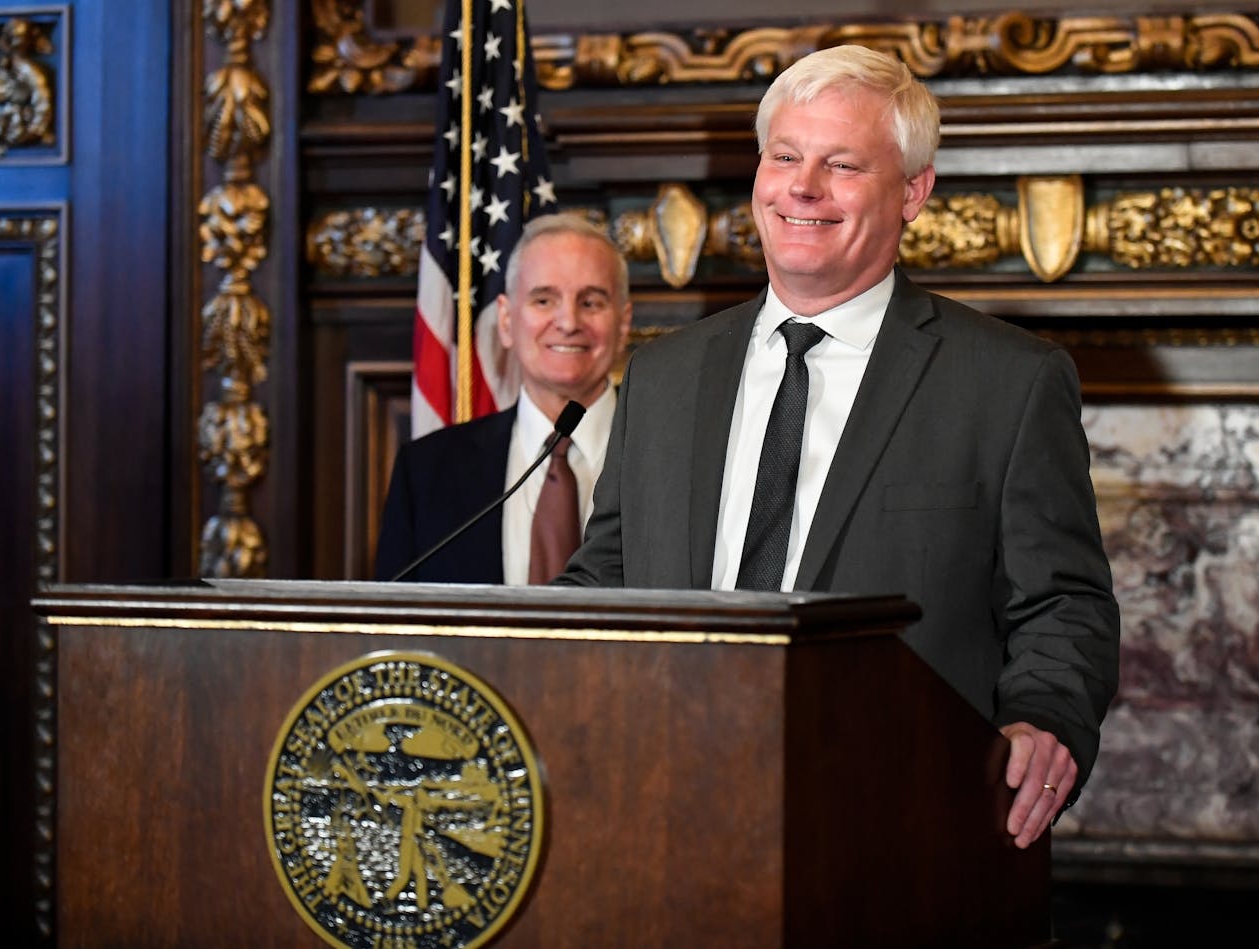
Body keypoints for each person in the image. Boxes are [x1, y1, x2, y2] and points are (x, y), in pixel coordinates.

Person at [557, 45, 1119, 849]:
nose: (803, 187)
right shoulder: (663, 374)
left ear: (914, 192)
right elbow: (607, 576)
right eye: (784, 156)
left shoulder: (1007, 383)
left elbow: (1063, 603)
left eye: (842, 164)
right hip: (666, 815)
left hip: (901, 829)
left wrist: (1044, 716)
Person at [375, 212, 633, 585]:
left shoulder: (674, 456)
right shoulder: (428, 471)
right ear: (507, 321)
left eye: (591, 302)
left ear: (623, 324)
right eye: (543, 300)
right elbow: (394, 622)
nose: (568, 322)